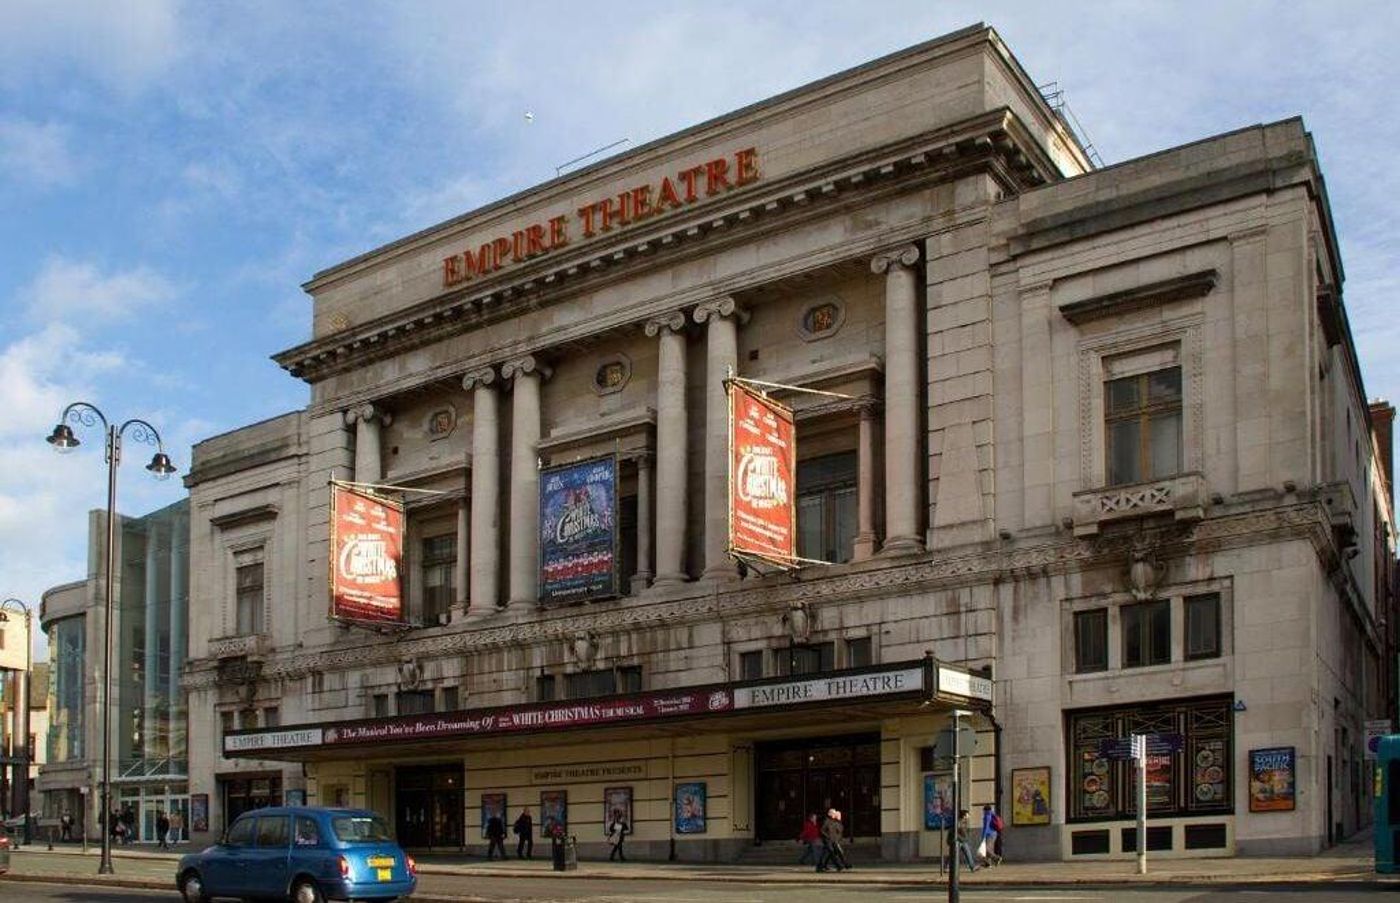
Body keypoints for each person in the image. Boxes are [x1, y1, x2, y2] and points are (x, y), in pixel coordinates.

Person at [817, 808, 849, 872]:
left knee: (826, 854)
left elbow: (837, 831)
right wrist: (828, 837)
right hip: (828, 840)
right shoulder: (827, 821)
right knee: (831, 853)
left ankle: (820, 866)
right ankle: (839, 866)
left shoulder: (833, 821)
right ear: (830, 814)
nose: (834, 814)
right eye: (833, 813)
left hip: (832, 840)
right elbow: (822, 830)